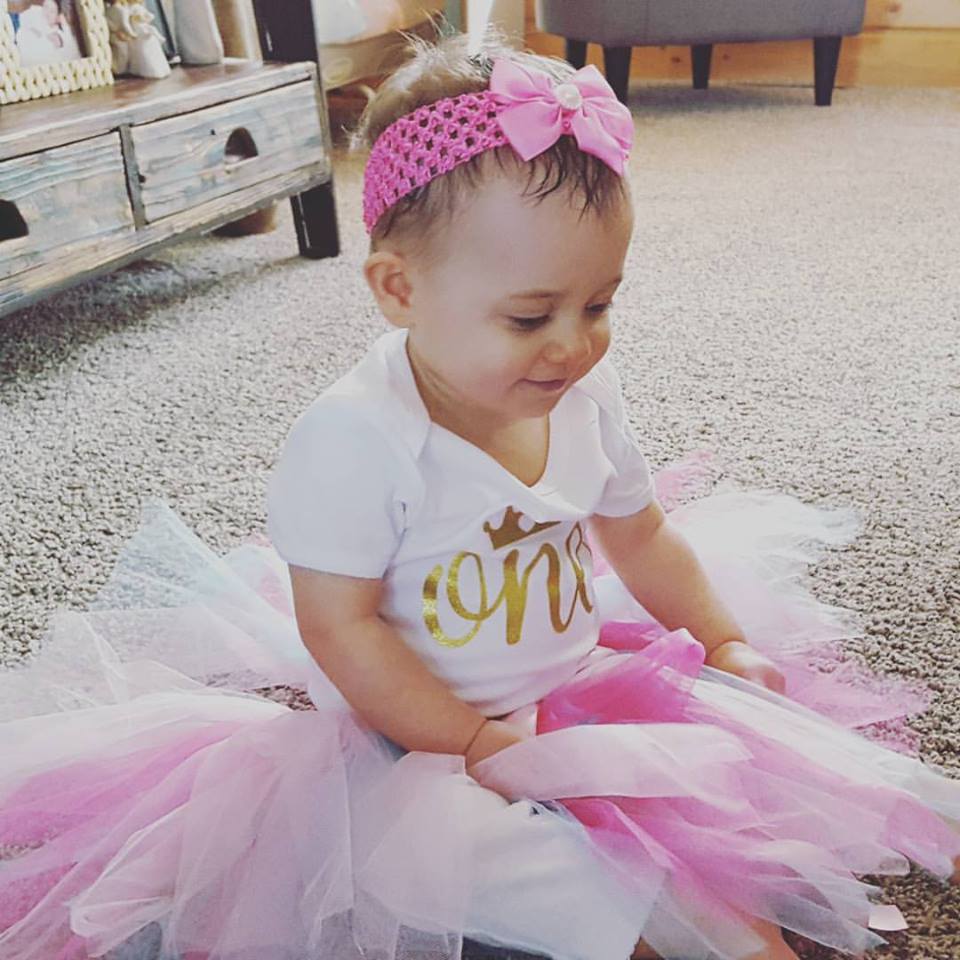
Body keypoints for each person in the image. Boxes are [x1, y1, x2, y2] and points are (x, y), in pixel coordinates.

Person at [1, 27, 958, 960]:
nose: (573, 345)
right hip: (409, 736)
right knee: (482, 856)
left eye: (599, 304)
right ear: (399, 289)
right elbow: (342, 630)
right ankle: (644, 926)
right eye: (530, 317)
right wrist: (474, 741)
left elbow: (640, 533)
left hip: (572, 682)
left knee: (733, 769)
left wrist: (721, 640)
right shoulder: (355, 440)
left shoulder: (582, 397)